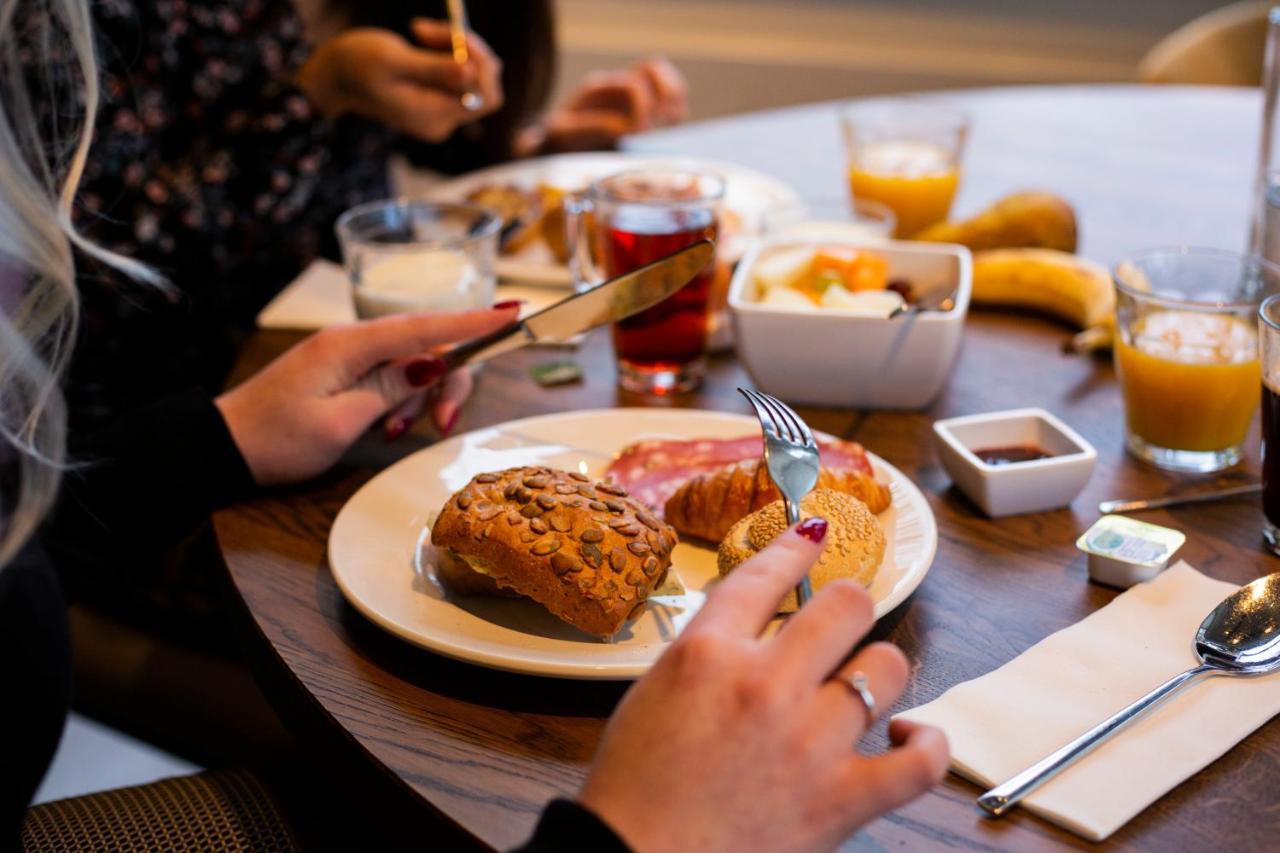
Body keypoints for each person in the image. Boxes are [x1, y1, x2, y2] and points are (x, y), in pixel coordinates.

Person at [2, 2, 948, 849]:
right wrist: (636, 836)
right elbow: (122, 266)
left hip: (147, 474)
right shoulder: (81, 32)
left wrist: (222, 436)